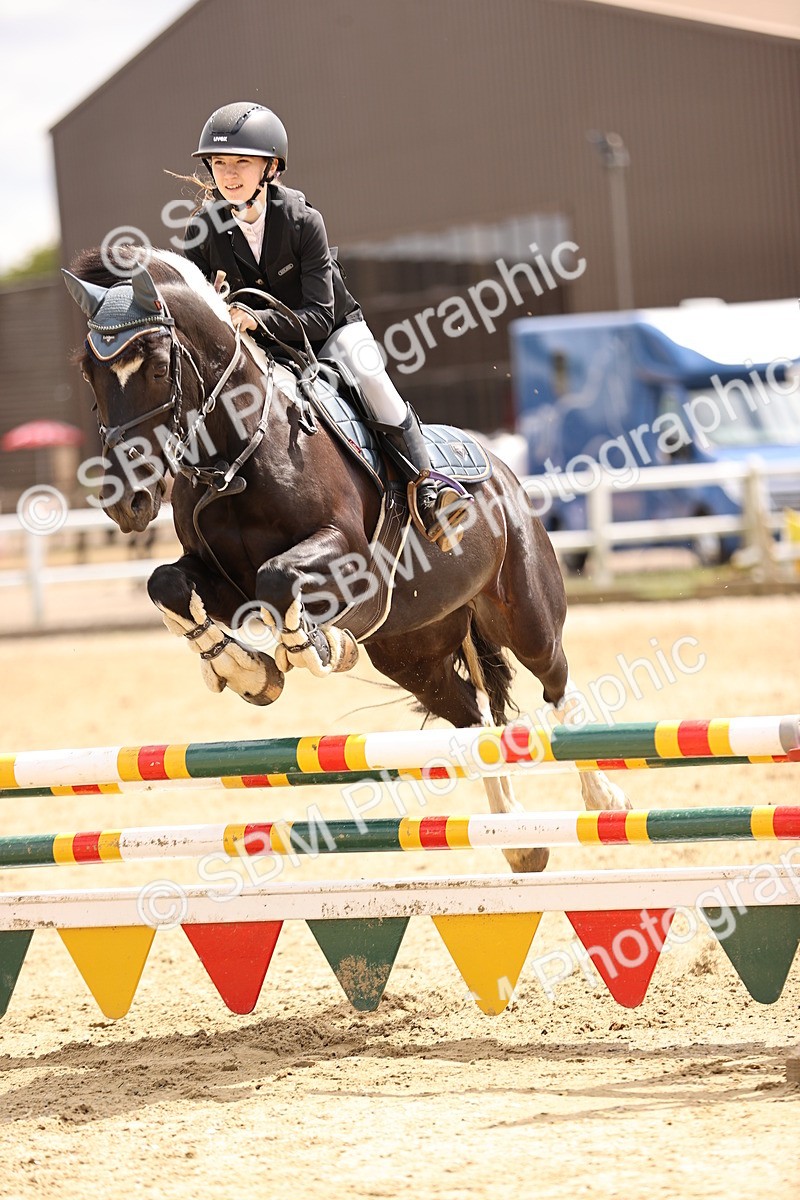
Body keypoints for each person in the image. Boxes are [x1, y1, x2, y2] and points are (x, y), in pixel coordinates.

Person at [181, 101, 468, 549]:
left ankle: (429, 488)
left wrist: (256, 318)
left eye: (241, 161)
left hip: (331, 331)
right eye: (219, 162)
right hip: (257, 346)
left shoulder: (302, 220)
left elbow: (317, 315)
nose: (228, 173)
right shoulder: (203, 230)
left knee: (370, 374)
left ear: (271, 168)